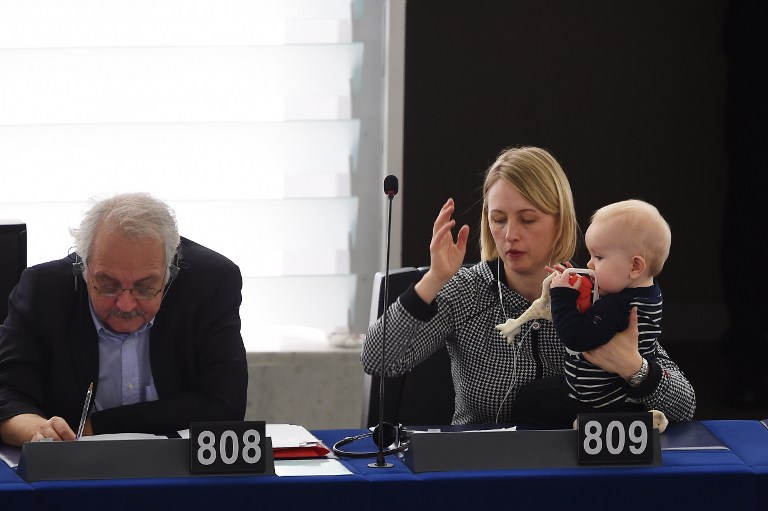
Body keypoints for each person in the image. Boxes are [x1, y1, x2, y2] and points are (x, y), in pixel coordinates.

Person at [361, 146, 695, 426]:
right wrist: (433, 280)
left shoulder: (599, 291)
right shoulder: (466, 290)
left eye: (528, 218)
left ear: (559, 220)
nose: (510, 235)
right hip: (482, 474)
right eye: (499, 219)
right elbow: (378, 360)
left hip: (574, 477)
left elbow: (684, 407)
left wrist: (635, 370)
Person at [0, 192, 248, 445]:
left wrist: (98, 426)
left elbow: (224, 405)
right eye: (107, 285)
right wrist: (37, 430)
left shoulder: (211, 283)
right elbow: (7, 393)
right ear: (84, 269)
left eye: (145, 287)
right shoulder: (44, 290)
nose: (126, 304)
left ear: (169, 273)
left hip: (178, 468)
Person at [535, 199, 672, 425]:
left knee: (532, 399)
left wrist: (562, 296)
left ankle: (614, 420)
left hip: (601, 398)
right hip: (616, 391)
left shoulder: (617, 306)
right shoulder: (650, 294)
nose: (589, 265)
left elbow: (576, 337)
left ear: (635, 266)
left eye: (598, 257)